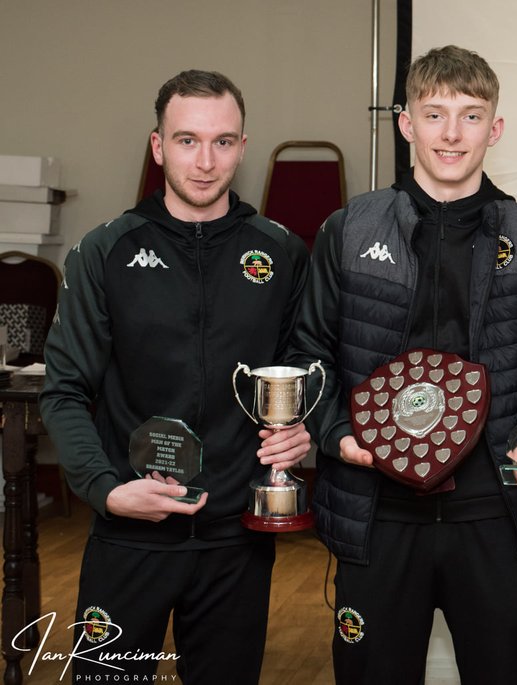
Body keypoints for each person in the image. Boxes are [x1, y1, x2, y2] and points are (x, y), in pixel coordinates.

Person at [288, 45, 517, 684]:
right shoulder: (347, 229)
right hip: (376, 510)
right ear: (405, 122)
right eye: (434, 113)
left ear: (494, 129)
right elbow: (309, 354)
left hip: (493, 514)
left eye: (471, 116)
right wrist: (337, 436)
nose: (451, 133)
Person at [40, 70, 312, 683]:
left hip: (236, 536)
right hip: (129, 530)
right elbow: (65, 391)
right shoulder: (104, 252)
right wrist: (107, 490)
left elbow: (303, 373)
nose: (205, 161)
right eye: (187, 140)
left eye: (222, 141)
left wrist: (303, 432)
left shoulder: (283, 252)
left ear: (243, 148)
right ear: (158, 146)